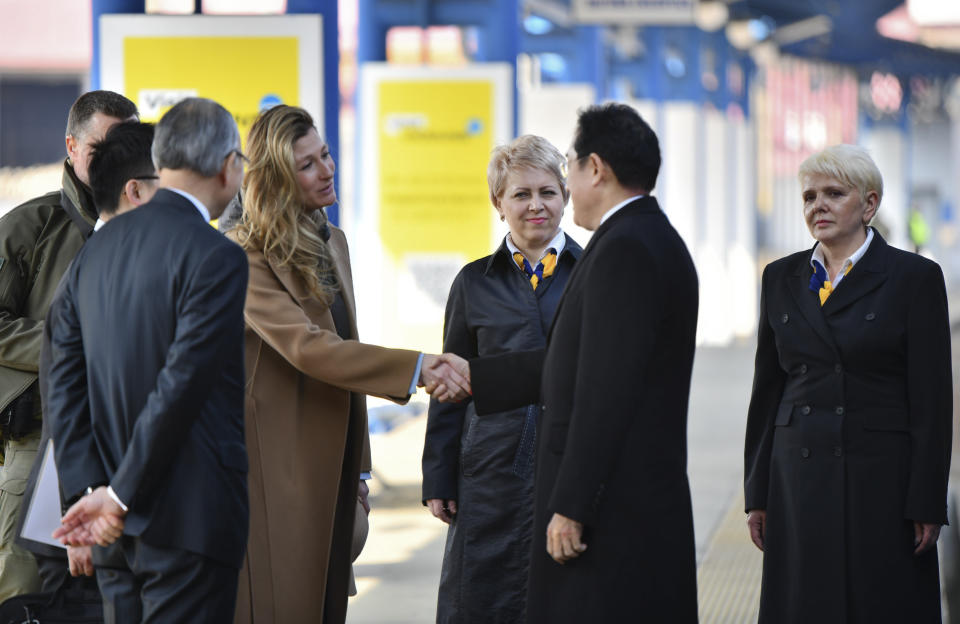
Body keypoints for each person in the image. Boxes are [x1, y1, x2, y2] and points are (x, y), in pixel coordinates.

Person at [436, 103, 700, 622]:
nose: (562, 188)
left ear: (595, 169)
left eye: (570, 168)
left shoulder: (622, 251)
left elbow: (604, 390)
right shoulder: (645, 240)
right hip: (625, 495)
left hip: (614, 504)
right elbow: (578, 363)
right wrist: (476, 375)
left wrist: (572, 505)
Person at [225, 104, 468, 623]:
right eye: (307, 165)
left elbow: (347, 346)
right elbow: (309, 348)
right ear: (277, 180)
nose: (327, 170)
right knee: (284, 603)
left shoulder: (332, 241)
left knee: (328, 602)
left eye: (326, 155)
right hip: (277, 464)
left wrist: (359, 466)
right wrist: (417, 366)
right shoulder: (244, 254)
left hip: (333, 458)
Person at [46, 97, 250, 623]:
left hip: (112, 531)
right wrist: (117, 497)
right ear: (229, 166)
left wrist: (90, 495)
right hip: (189, 520)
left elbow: (63, 389)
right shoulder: (216, 255)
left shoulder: (92, 254)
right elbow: (183, 383)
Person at [743, 144, 952, 623]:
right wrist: (758, 492)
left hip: (880, 479)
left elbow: (932, 400)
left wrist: (926, 499)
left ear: (869, 204)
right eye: (809, 196)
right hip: (797, 476)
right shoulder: (780, 277)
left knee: (878, 603)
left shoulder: (914, 278)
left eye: (834, 194)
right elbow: (767, 392)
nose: (818, 205)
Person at [421, 135, 582, 623]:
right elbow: (450, 381)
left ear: (566, 196)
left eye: (548, 192)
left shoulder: (593, 274)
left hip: (570, 457)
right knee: (481, 594)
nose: (537, 205)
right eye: (521, 194)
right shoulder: (473, 282)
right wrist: (438, 475)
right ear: (499, 203)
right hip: (489, 465)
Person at [0, 90, 137, 602]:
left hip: (134, 449)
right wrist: (68, 345)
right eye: (102, 148)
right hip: (40, 443)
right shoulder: (29, 228)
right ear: (71, 147)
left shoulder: (157, 231)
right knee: (26, 589)